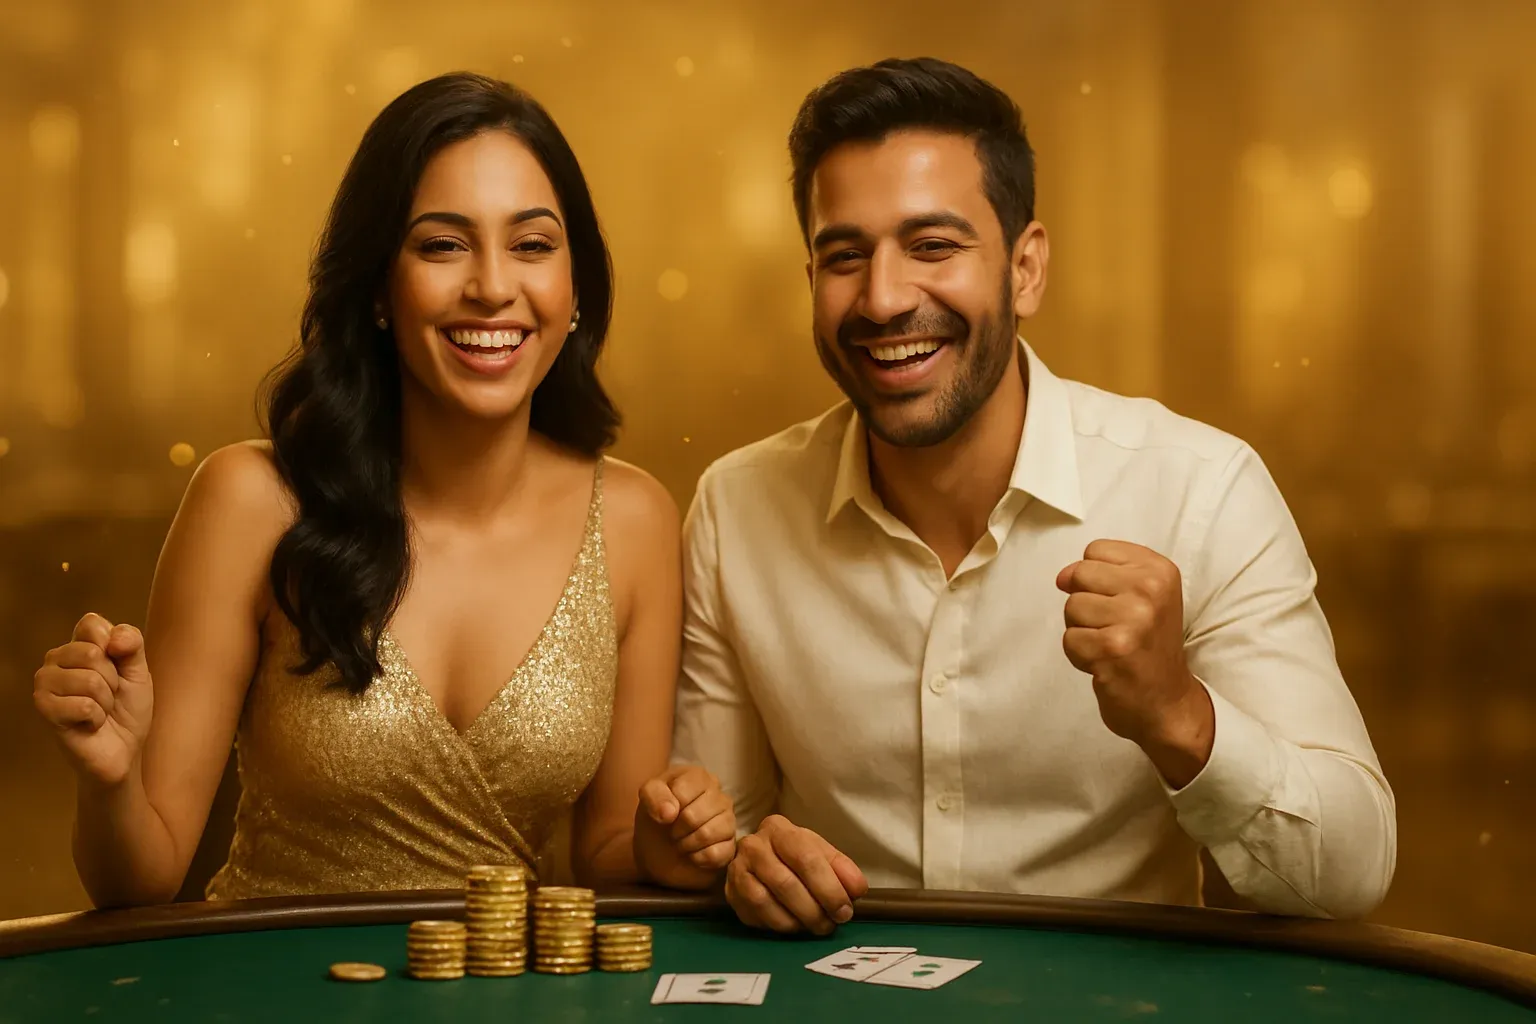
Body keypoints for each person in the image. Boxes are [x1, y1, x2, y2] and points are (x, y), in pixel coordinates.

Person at [671, 57, 1396, 935]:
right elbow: (720, 836)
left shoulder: (1199, 488)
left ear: (1025, 269)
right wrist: (747, 866)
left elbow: (1351, 872)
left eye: (934, 247)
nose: (885, 297)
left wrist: (1177, 713)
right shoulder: (735, 508)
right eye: (843, 256)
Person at [32, 73, 733, 907]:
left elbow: (610, 853)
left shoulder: (635, 519)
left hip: (506, 999)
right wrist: (111, 777)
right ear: (375, 289)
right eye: (442, 245)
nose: (492, 286)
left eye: (533, 245)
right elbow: (140, 881)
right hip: (270, 988)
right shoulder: (248, 500)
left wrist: (666, 843)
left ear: (575, 291)